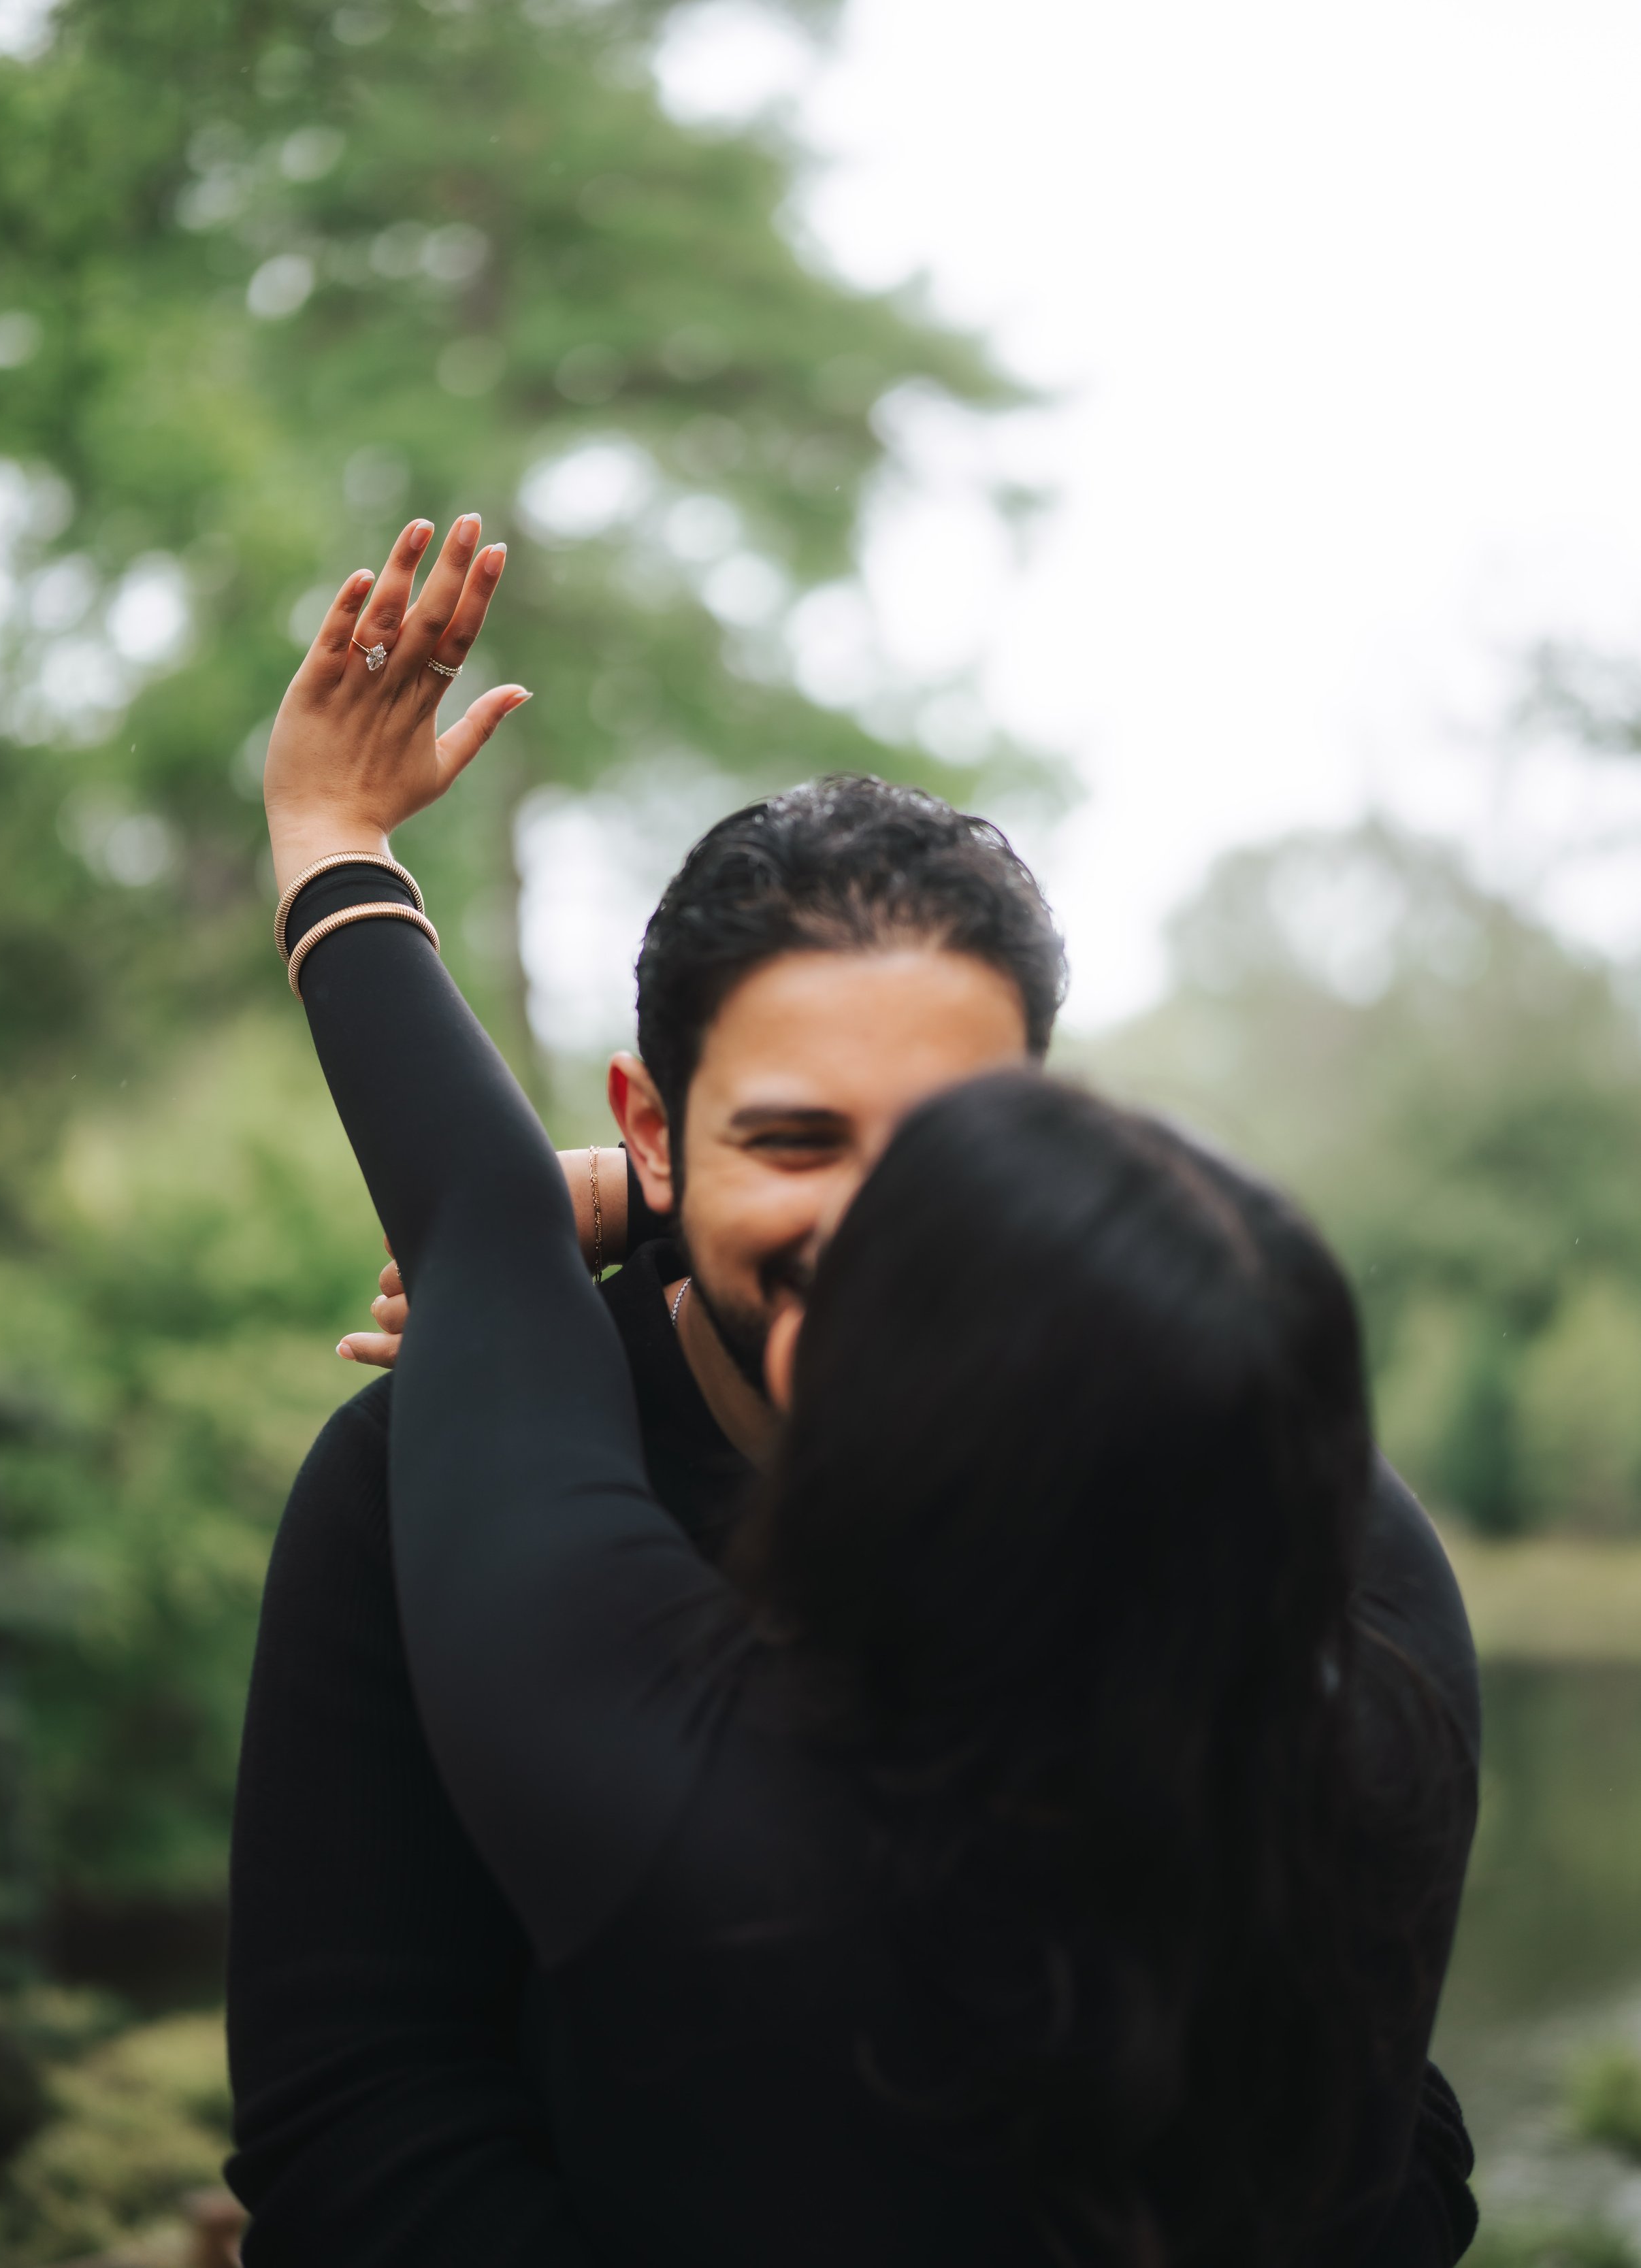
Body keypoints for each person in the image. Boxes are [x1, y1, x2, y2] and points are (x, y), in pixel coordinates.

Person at [229, 516, 1481, 2265]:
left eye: (943, 1147)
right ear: (656, 1127)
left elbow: (477, 1224)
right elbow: (1397, 2155)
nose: (882, 1233)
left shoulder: (656, 1764)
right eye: (794, 1139)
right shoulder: (1339, 1577)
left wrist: (332, 839)